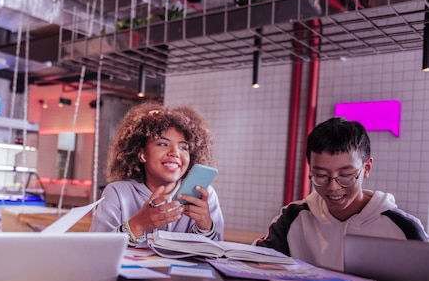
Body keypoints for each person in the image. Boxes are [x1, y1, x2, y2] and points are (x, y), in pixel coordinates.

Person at [257, 116, 427, 271]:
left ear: (366, 168)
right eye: (321, 175)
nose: (333, 187)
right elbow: (255, 267)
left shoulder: (404, 229)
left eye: (345, 175)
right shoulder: (292, 218)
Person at [90, 101, 224, 245]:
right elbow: (96, 247)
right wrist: (137, 225)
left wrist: (205, 227)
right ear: (142, 154)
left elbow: (216, 252)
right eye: (163, 144)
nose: (175, 153)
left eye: (183, 147)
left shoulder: (202, 195)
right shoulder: (117, 192)